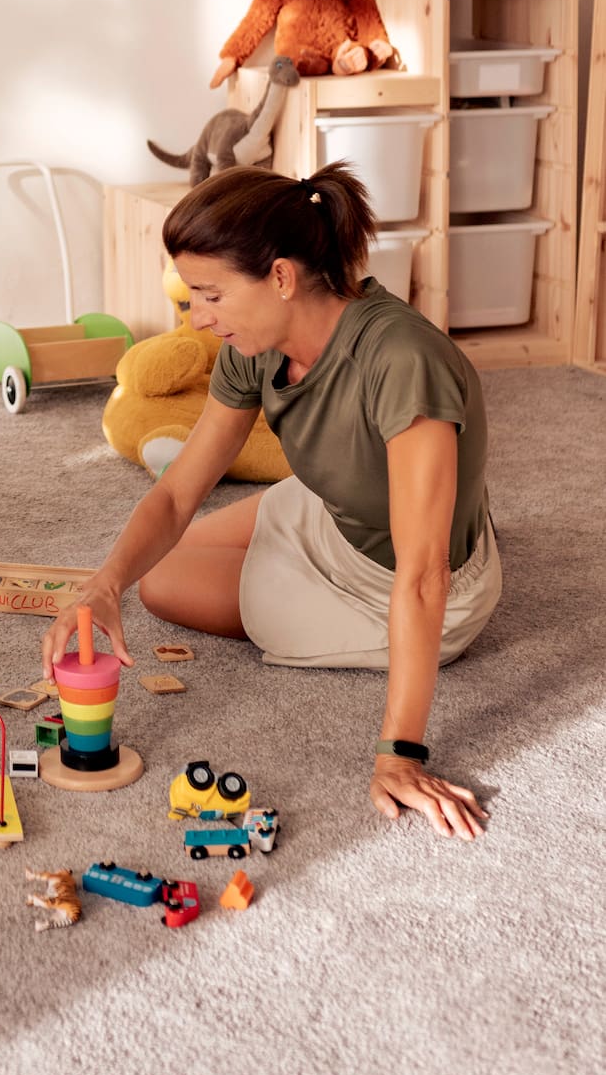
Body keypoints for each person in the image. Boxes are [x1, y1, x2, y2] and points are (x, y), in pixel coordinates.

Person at [43, 161, 501, 841]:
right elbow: (176, 498)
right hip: (332, 506)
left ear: (282, 277)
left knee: (165, 584)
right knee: (150, 565)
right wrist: (103, 584)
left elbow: (425, 572)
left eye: (210, 295)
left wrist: (399, 752)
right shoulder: (255, 344)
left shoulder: (402, 359)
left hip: (400, 577)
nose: (198, 318)